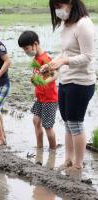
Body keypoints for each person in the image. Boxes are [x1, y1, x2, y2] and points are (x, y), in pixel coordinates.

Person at [42, 0, 96, 171]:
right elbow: (66, 52)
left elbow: (87, 56)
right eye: (55, 8)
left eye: (59, 6)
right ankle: (68, 160)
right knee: (67, 122)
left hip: (81, 82)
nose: (57, 11)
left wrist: (64, 61)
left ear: (70, 2)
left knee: (75, 122)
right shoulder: (67, 24)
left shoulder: (84, 24)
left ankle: (78, 165)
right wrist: (51, 63)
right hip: (66, 80)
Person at [18, 31, 58, 150]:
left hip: (49, 99)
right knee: (36, 121)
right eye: (23, 49)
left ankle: (53, 150)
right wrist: (34, 80)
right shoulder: (36, 59)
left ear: (35, 44)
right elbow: (38, 76)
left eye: (26, 48)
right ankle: (39, 147)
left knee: (47, 126)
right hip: (40, 98)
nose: (26, 51)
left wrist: (43, 82)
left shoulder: (45, 58)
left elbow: (55, 75)